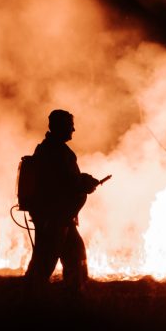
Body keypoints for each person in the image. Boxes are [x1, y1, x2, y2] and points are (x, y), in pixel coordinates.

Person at [24, 109, 101, 294]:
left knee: (75, 255)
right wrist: (86, 183)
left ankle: (75, 296)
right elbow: (66, 183)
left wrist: (83, 180)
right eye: (69, 125)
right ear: (60, 127)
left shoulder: (49, 149)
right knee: (45, 261)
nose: (73, 129)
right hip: (55, 218)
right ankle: (29, 302)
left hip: (61, 217)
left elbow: (66, 180)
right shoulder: (56, 152)